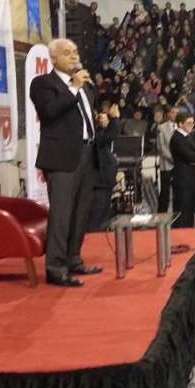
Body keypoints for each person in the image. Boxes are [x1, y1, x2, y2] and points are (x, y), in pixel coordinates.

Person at [29, 38, 102, 287]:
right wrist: (73, 87)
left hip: (87, 153)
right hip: (61, 157)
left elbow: (80, 118)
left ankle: (73, 259)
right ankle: (55, 268)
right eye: (67, 53)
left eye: (76, 52)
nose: (74, 56)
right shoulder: (43, 83)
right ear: (54, 59)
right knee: (61, 214)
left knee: (81, 212)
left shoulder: (85, 86)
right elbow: (49, 112)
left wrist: (99, 120)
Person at [88, 104, 121, 232]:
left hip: (104, 182)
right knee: (98, 217)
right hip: (98, 183)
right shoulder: (92, 134)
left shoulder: (98, 131)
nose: (102, 117)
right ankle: (94, 238)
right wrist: (115, 118)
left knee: (104, 215)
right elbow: (109, 135)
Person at [169, 111, 195, 228]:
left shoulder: (188, 136)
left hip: (190, 178)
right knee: (183, 210)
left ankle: (189, 232)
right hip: (183, 179)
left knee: (190, 209)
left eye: (192, 123)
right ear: (180, 124)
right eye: (188, 123)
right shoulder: (177, 138)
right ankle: (181, 234)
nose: (192, 125)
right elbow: (192, 156)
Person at [157, 106, 178, 212]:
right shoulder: (161, 127)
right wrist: (173, 159)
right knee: (165, 192)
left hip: (179, 165)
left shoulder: (181, 127)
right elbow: (161, 147)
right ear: (169, 114)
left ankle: (177, 215)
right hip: (166, 164)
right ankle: (162, 214)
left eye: (177, 113)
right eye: (173, 112)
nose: (175, 115)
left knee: (178, 192)